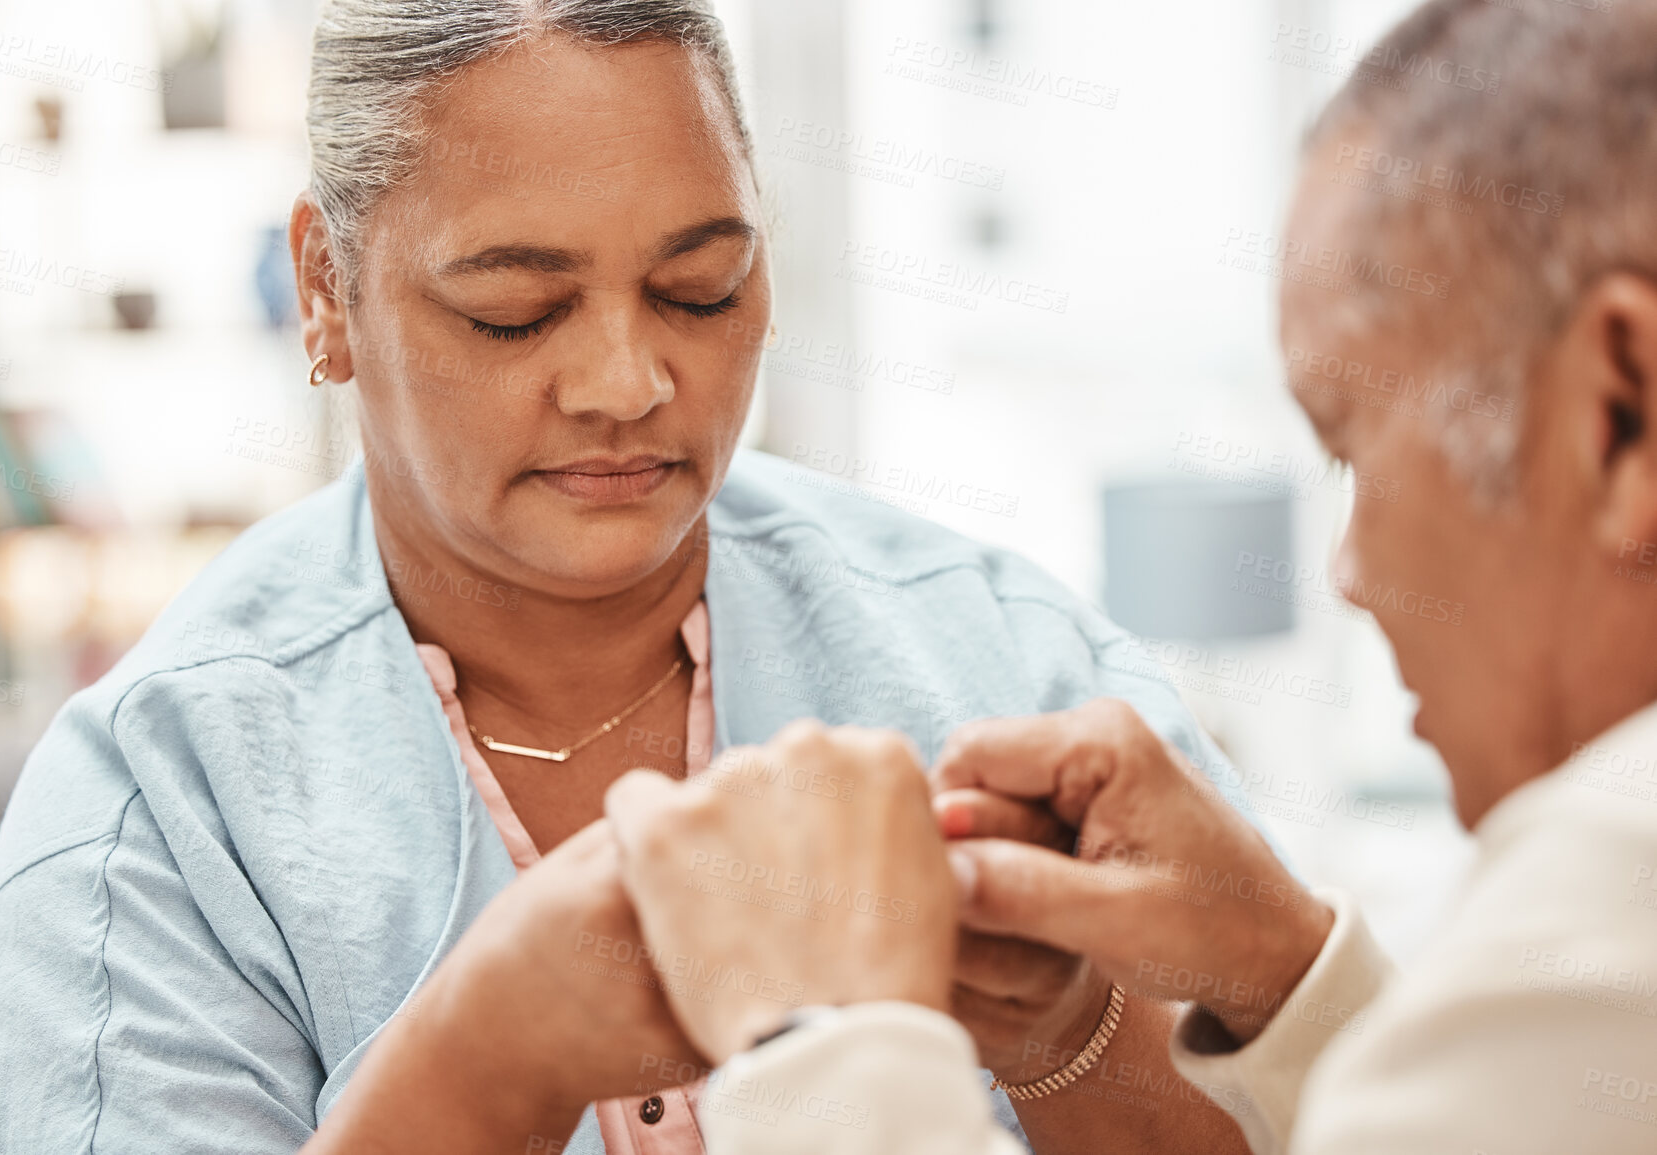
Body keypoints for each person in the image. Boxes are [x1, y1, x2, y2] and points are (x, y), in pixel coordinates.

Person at [0, 4, 1254, 1154]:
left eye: (700, 285)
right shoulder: (160, 813)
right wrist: (479, 1066)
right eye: (515, 309)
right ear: (326, 288)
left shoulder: (1008, 666)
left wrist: (1070, 1030)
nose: (628, 383)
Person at [602, 1, 1657, 1152]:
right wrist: (1286, 971)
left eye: (1356, 446)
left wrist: (817, 1028)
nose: (1349, 575)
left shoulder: (1612, 897)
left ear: (1620, 408)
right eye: (513, 314)